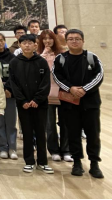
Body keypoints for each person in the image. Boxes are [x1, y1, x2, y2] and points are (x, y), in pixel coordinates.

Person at [53, 29, 104, 179]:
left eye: (77, 39)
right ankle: (77, 163)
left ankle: (94, 164)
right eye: (70, 39)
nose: (74, 41)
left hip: (90, 104)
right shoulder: (61, 58)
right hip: (69, 104)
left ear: (83, 41)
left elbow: (99, 75)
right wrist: (70, 88)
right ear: (66, 41)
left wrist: (84, 89)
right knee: (73, 134)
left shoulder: (91, 57)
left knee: (93, 134)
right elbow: (56, 76)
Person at [9, 34, 53, 174]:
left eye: (30, 43)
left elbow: (45, 83)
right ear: (20, 45)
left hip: (40, 104)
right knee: (27, 133)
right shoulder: (14, 62)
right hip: (24, 105)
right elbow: (13, 83)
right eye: (24, 43)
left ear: (35, 45)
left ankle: (42, 162)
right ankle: (29, 161)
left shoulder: (41, 61)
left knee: (40, 132)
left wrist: (37, 100)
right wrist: (23, 101)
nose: (27, 45)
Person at [38, 30, 73, 163]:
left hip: (63, 92)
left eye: (50, 38)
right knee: (50, 124)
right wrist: (43, 55)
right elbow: (38, 72)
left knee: (66, 123)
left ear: (55, 39)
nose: (47, 41)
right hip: (47, 93)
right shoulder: (39, 56)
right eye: (44, 39)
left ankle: (66, 150)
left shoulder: (63, 54)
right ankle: (53, 150)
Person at [0, 33, 18, 160]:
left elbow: (15, 75)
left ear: (5, 41)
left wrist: (8, 89)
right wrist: (0, 90)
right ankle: (2, 148)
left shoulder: (12, 57)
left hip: (10, 94)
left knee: (11, 122)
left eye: (1, 40)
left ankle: (12, 147)